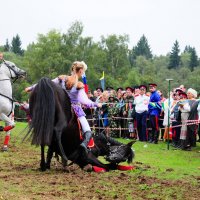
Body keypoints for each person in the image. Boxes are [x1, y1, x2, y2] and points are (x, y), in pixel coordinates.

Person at [25, 61, 102, 152]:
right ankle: (84, 145)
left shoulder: (62, 78)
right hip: (75, 108)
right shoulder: (79, 84)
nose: (83, 73)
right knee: (87, 129)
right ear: (80, 71)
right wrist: (96, 104)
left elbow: (47, 83)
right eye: (83, 71)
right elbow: (83, 101)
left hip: (61, 107)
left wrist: (31, 88)